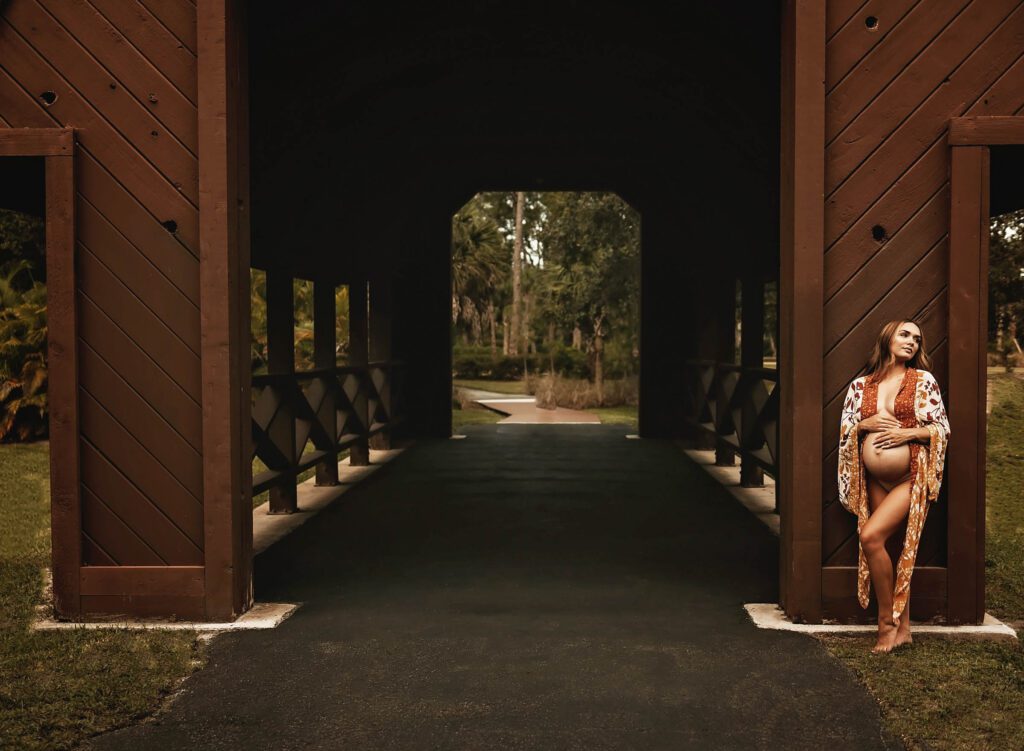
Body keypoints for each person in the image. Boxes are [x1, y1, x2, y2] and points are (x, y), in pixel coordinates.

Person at [837, 320, 950, 653]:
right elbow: (846, 431)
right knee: (891, 546)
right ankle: (904, 629)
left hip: (910, 475)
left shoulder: (922, 381)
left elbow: (941, 429)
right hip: (873, 478)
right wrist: (864, 425)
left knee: (870, 537)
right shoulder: (860, 386)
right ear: (887, 338)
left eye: (917, 339)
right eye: (905, 334)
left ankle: (886, 624)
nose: (912, 342)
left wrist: (907, 433)